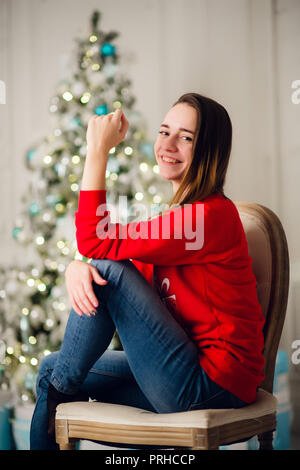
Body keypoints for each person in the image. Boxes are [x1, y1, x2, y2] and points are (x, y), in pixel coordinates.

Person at [30, 93, 265, 450]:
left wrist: (97, 150)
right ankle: (60, 393)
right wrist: (76, 267)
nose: (167, 145)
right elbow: (107, 261)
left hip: (212, 383)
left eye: (186, 137)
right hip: (181, 371)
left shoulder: (207, 218)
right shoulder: (174, 223)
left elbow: (98, 244)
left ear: (209, 151)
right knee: (51, 369)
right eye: (164, 131)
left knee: (59, 383)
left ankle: (60, 397)